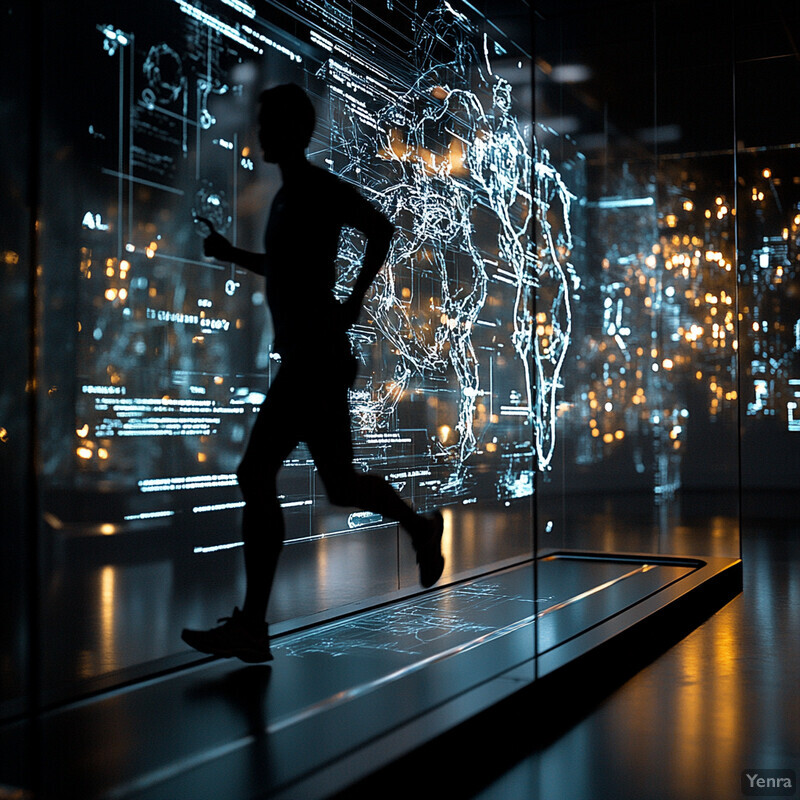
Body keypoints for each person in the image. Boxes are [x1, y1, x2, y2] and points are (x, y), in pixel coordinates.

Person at [181, 83, 445, 663]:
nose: (259, 133)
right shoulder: (288, 197)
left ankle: (253, 624)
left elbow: (381, 230)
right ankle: (421, 529)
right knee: (342, 485)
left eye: (266, 123)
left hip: (313, 360)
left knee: (257, 472)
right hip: (311, 359)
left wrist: (353, 300)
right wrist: (233, 256)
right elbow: (287, 268)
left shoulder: (320, 191)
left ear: (290, 130)